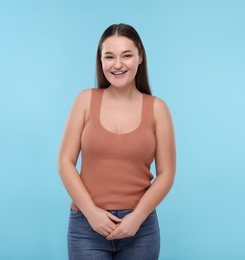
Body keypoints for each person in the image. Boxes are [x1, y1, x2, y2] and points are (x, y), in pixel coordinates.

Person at [57, 23, 176, 260]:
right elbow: (65, 163)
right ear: (100, 60)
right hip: (86, 227)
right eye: (109, 56)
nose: (118, 64)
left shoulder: (157, 109)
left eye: (127, 55)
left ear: (140, 57)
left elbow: (167, 173)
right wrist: (91, 213)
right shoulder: (85, 101)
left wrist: (138, 216)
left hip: (140, 229)